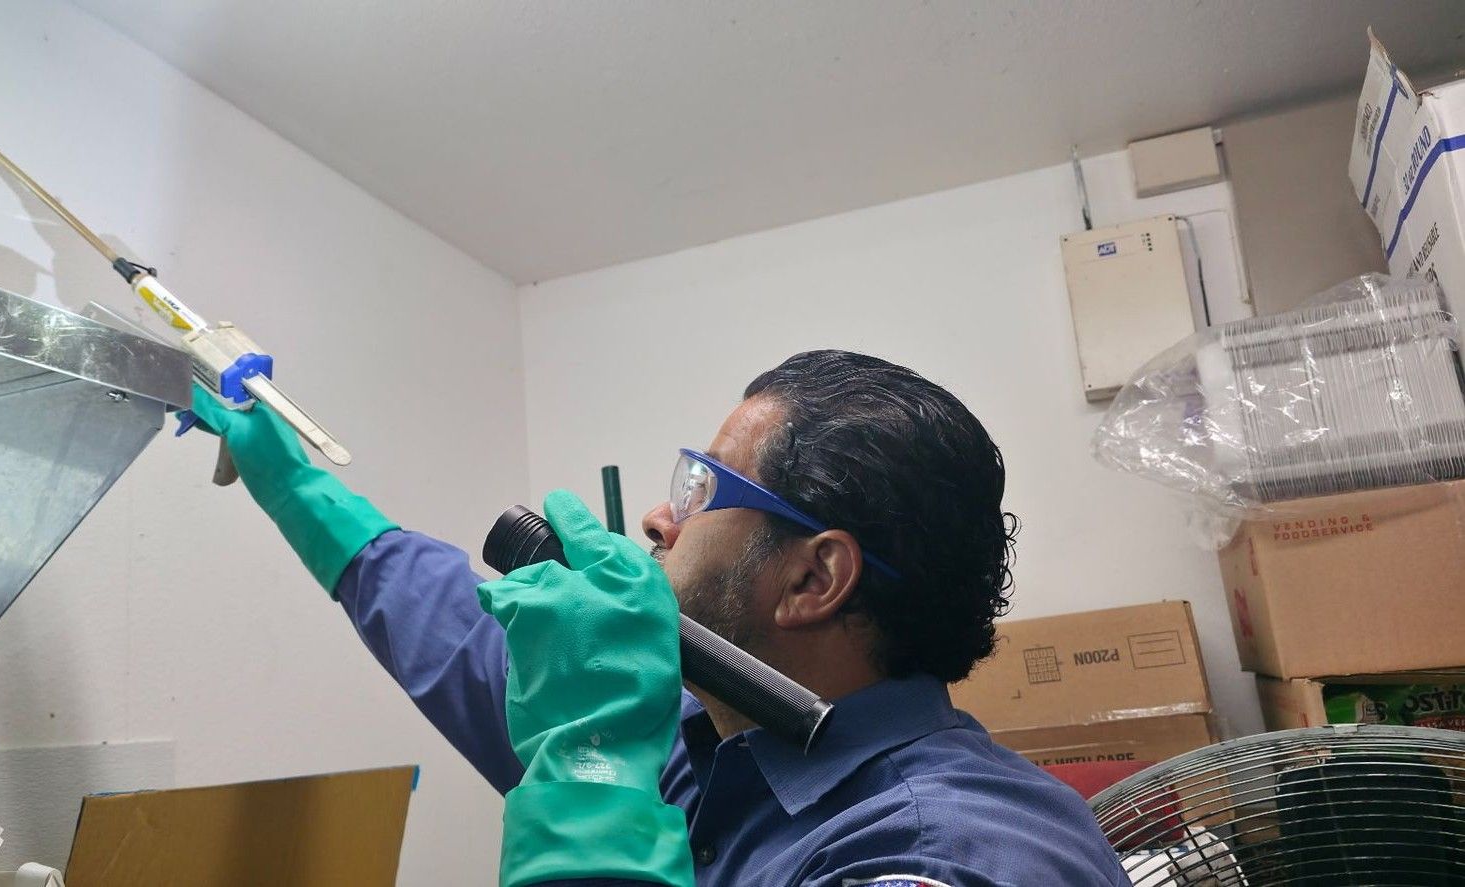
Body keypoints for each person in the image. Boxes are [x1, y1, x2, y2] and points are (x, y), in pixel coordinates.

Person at [185, 349, 1133, 886]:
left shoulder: (950, 853)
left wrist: (591, 758)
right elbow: (454, 634)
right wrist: (292, 481)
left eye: (701, 487)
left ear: (812, 578)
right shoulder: (708, 740)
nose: (656, 518)